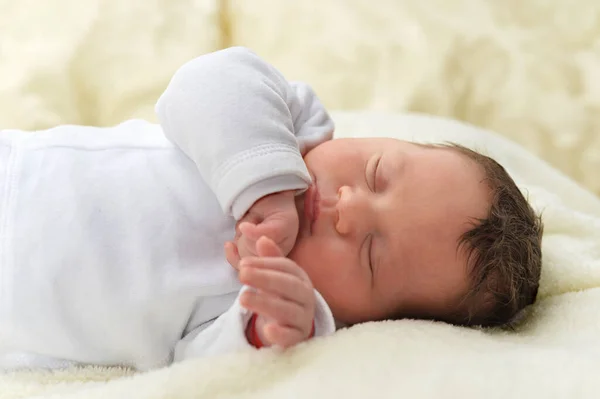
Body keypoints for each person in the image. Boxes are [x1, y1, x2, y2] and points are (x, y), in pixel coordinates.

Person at [0, 47, 543, 371]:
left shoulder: (276, 305)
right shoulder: (290, 129)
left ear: (373, 319)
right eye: (376, 173)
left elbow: (197, 364)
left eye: (372, 254)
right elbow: (202, 84)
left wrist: (265, 330)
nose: (348, 208)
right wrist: (265, 186)